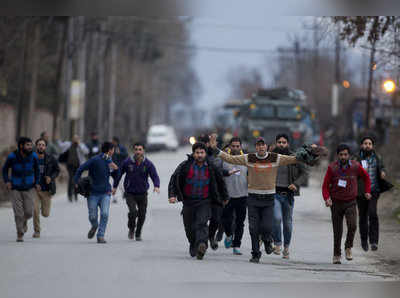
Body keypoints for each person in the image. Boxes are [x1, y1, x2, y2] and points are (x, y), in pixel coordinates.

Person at [209, 133, 323, 263]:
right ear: (256, 147)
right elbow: (229, 158)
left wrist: (311, 153)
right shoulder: (249, 158)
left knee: (267, 226)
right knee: (253, 228)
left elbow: (293, 159)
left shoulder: (275, 158)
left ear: (267, 147)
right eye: (258, 145)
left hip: (268, 198)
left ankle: (268, 241)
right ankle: (255, 253)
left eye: (263, 145)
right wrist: (215, 149)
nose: (261, 147)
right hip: (253, 198)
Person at [168, 142, 228, 260]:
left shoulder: (211, 167)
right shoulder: (185, 166)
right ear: (193, 153)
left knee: (201, 223)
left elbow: (220, 182)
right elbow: (174, 179)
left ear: (205, 153)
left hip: (204, 201)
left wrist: (224, 197)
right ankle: (193, 244)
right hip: (188, 202)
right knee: (189, 227)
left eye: (202, 152)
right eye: (197, 153)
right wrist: (172, 195)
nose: (200, 155)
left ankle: (202, 245)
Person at [322, 144, 371, 264]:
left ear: (349, 155)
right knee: (337, 231)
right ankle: (336, 254)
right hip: (336, 203)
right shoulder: (332, 168)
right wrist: (327, 198)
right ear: (337, 155)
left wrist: (367, 191)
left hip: (351, 202)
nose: (343, 157)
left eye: (345, 154)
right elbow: (325, 186)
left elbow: (367, 178)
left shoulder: (355, 166)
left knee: (353, 225)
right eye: (341, 155)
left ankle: (348, 247)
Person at [74, 142, 119, 244]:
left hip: (106, 193)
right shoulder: (95, 160)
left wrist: (116, 171)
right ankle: (94, 226)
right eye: (112, 150)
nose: (113, 152)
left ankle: (100, 235)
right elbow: (81, 168)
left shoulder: (110, 161)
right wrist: (76, 181)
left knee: (105, 214)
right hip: (93, 193)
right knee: (92, 216)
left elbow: (116, 176)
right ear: (109, 150)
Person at [271, 134, 308, 259]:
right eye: (279, 142)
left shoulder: (294, 157)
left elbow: (304, 173)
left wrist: (295, 184)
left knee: (287, 223)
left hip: (288, 195)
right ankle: (277, 243)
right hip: (274, 193)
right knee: (276, 218)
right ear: (276, 143)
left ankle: (286, 247)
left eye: (284, 142)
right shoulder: (271, 157)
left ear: (288, 144)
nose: (281, 144)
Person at [113, 143, 160, 241]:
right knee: (133, 212)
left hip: (142, 193)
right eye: (136, 149)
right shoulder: (127, 162)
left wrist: (156, 186)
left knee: (142, 214)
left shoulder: (148, 164)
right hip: (130, 193)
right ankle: (131, 228)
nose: (138, 151)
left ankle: (138, 233)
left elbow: (154, 175)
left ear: (143, 151)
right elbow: (119, 174)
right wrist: (115, 187)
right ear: (133, 151)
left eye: (140, 149)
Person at [354, 136, 393, 252]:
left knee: (373, 213)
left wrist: (383, 172)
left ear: (372, 146)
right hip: (361, 192)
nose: (367, 145)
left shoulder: (377, 157)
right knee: (363, 217)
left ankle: (374, 241)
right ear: (361, 145)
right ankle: (364, 240)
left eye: (370, 144)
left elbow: (383, 167)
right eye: (365, 143)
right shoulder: (356, 158)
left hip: (374, 190)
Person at [2, 137, 40, 242]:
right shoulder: (12, 157)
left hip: (29, 188)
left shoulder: (33, 156)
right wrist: (7, 181)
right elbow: (5, 170)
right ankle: (20, 233)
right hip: (15, 188)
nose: (30, 147)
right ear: (21, 146)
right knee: (18, 213)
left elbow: (37, 171)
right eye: (28, 145)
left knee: (28, 212)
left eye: (31, 145)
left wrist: (37, 182)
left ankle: (23, 222)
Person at [197, 134, 228, 250]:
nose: (207, 145)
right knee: (202, 220)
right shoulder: (197, 157)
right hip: (202, 195)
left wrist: (225, 196)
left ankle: (211, 236)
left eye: (209, 143)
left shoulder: (216, 156)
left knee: (216, 219)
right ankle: (202, 242)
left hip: (216, 193)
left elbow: (220, 175)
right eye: (206, 143)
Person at [221, 137, 248, 255]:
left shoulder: (246, 159)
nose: (236, 148)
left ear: (241, 147)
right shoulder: (224, 159)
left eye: (238, 146)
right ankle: (228, 235)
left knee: (240, 222)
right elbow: (217, 172)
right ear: (230, 147)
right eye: (233, 146)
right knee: (226, 220)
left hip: (243, 195)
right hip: (228, 196)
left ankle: (237, 245)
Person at [32, 138, 60, 238]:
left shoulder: (51, 158)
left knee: (45, 214)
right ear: (36, 146)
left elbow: (57, 170)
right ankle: (37, 231)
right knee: (35, 210)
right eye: (39, 144)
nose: (41, 146)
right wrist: (34, 183)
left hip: (47, 190)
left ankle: (40, 206)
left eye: (43, 145)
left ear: (45, 147)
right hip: (35, 189)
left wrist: (51, 178)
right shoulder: (31, 158)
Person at [59, 135, 89, 202]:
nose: (75, 140)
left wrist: (79, 145)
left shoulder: (81, 145)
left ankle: (76, 194)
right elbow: (60, 145)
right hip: (70, 165)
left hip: (78, 166)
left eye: (76, 138)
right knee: (71, 179)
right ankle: (69, 195)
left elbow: (86, 151)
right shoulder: (68, 144)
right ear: (72, 139)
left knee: (77, 180)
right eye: (74, 138)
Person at [111, 136, 129, 203]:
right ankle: (122, 194)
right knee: (117, 181)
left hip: (120, 167)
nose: (113, 142)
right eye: (112, 141)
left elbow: (126, 155)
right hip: (112, 167)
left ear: (117, 142)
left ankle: (117, 196)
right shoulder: (111, 148)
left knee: (118, 181)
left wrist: (120, 153)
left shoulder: (121, 147)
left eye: (114, 141)